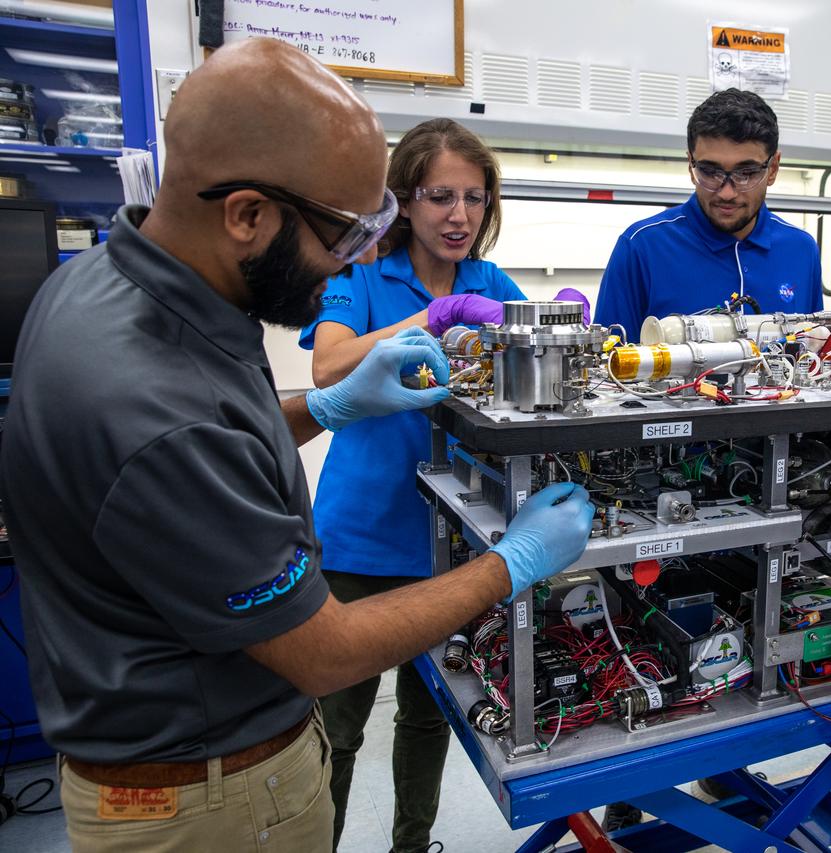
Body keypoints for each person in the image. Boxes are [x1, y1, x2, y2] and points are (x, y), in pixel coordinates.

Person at [0, 40, 594, 852]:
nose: (346, 263)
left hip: (185, 758)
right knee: (346, 723)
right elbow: (323, 654)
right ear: (246, 213)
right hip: (213, 798)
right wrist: (511, 564)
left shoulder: (108, 286)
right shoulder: (156, 400)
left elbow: (219, 434)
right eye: (343, 236)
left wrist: (327, 405)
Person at [297, 117, 525, 853]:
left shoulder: (494, 284)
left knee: (431, 716)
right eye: (438, 197)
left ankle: (411, 844)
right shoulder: (359, 273)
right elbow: (328, 368)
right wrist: (434, 316)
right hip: (361, 539)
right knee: (337, 726)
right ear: (403, 199)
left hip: (454, 538)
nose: (459, 216)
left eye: (474, 198)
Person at [596, 88, 824, 340]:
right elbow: (607, 368)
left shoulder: (800, 250)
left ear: (773, 169)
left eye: (745, 172)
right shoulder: (642, 248)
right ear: (690, 164)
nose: (726, 192)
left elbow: (812, 355)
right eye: (710, 171)